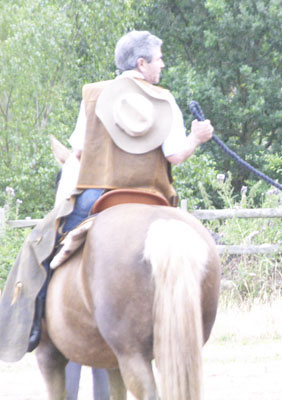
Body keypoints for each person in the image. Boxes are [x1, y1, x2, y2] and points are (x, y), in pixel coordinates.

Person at [0, 30, 214, 361]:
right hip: (152, 195)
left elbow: (80, 153)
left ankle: (35, 325)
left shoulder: (94, 96)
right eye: (159, 59)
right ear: (142, 64)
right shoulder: (164, 99)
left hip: (99, 196)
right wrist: (197, 137)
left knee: (43, 245)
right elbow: (174, 156)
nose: (163, 65)